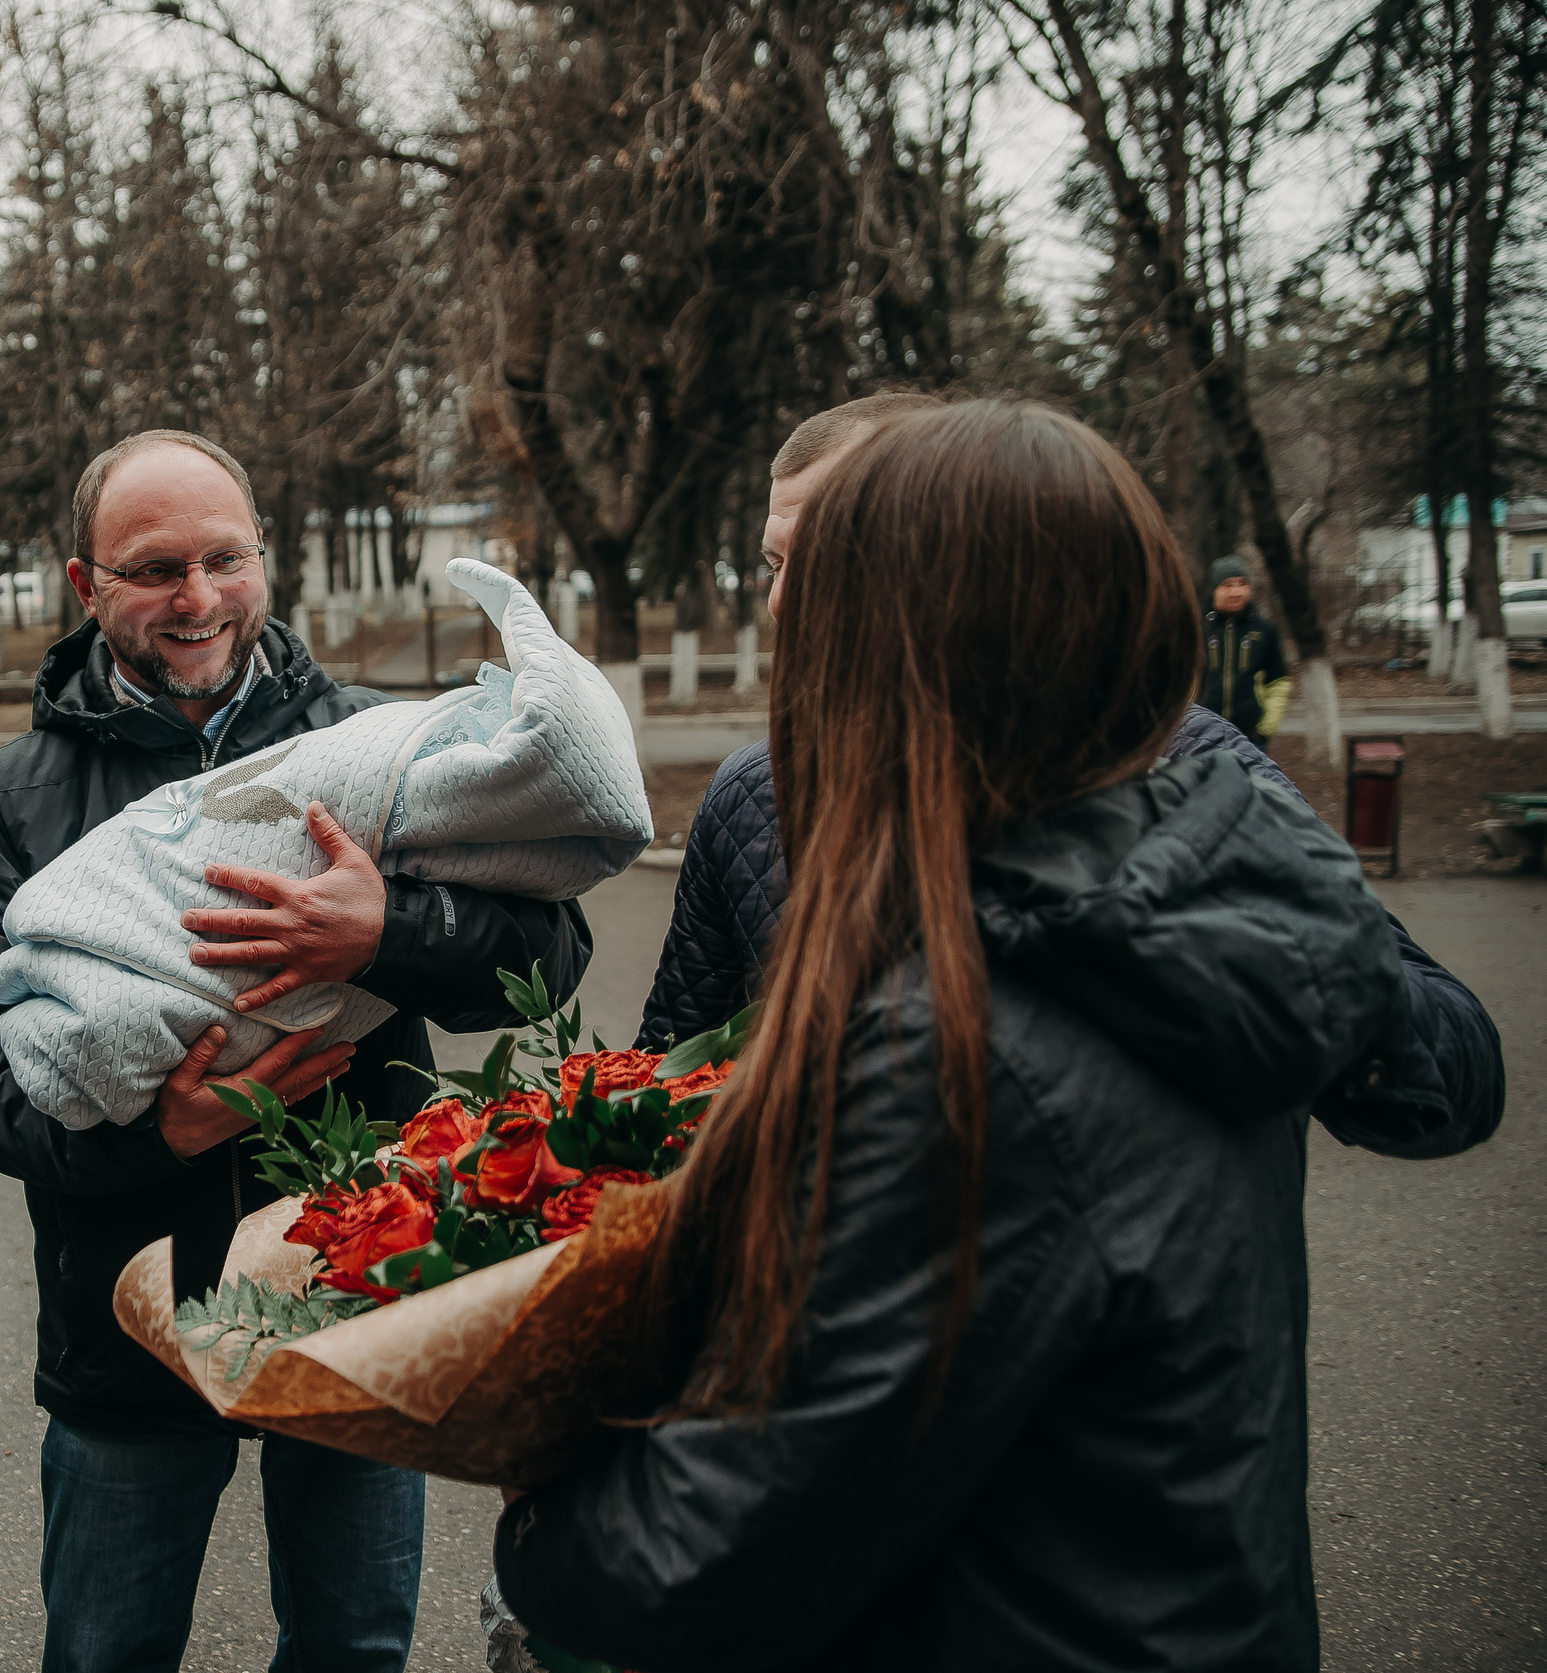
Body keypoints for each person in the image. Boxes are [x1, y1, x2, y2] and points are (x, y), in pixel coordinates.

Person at [497, 400, 1402, 1670]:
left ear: (908, 638)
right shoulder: (1142, 911)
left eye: (820, 588)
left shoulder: (978, 1042)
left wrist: (537, 1521)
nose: (781, 616)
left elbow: (704, 1551)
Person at [0, 429, 593, 1673]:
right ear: (85, 583)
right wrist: (148, 1133)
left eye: (225, 558)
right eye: (155, 566)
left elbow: (552, 955)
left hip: (360, 1287)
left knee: (352, 1646)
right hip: (126, 1309)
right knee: (109, 1649)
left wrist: (388, 932)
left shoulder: (383, 750)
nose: (199, 597)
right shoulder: (17, 791)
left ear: (263, 558)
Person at [640, 393, 1502, 1159]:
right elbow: (661, 1090)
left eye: (827, 555)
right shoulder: (754, 791)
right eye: (774, 563)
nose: (784, 602)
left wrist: (1196, 941)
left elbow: (1453, 1077)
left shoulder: (1188, 769)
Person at [1199, 553, 1292, 748]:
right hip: (1200, 737)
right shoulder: (1196, 629)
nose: (1236, 592)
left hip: (1249, 739)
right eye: (1227, 585)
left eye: (1242, 584)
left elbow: (1278, 683)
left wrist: (1264, 729)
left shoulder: (1264, 630)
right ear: (1214, 590)